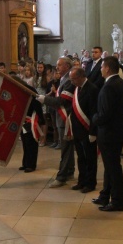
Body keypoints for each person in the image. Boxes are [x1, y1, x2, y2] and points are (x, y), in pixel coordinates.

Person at [91, 57, 123, 211]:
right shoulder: (122, 84)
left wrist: (94, 118)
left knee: (113, 168)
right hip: (118, 132)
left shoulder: (109, 87)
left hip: (109, 133)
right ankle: (105, 195)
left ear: (107, 68)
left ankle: (117, 201)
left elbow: (105, 114)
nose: (100, 69)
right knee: (109, 166)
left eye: (102, 67)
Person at [38, 57, 76, 188]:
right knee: (68, 147)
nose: (57, 67)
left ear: (66, 66)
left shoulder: (69, 80)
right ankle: (70, 171)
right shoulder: (64, 78)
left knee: (65, 148)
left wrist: (45, 99)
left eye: (59, 65)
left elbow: (62, 101)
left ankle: (62, 177)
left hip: (66, 117)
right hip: (61, 117)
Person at [67, 67, 99, 193]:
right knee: (81, 157)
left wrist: (93, 132)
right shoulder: (77, 88)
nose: (72, 82)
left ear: (81, 77)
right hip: (78, 130)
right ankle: (82, 181)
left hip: (87, 130)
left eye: (73, 79)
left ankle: (90, 183)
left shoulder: (92, 89)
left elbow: (93, 113)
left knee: (90, 158)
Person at [16, 78, 44, 173]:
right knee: (24, 142)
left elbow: (37, 104)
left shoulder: (29, 90)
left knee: (31, 142)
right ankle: (25, 163)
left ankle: (31, 165)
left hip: (31, 119)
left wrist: (41, 119)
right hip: (23, 119)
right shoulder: (19, 90)